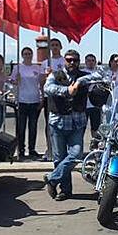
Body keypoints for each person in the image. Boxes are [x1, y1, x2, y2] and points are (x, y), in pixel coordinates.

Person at [43, 49, 90, 201]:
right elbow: (47, 88)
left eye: (75, 60)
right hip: (58, 123)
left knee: (76, 155)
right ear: (64, 60)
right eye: (69, 60)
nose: (72, 63)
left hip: (77, 122)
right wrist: (67, 90)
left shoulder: (84, 76)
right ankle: (65, 190)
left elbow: (98, 78)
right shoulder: (55, 75)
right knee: (59, 158)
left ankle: (52, 179)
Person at [11, 47, 42, 161]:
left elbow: (41, 84)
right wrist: (16, 80)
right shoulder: (17, 67)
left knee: (33, 127)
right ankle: (21, 150)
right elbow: (11, 82)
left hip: (34, 100)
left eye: (29, 53)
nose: (27, 55)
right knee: (21, 127)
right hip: (22, 100)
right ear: (22, 55)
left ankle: (32, 149)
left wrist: (41, 99)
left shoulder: (37, 68)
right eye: (25, 54)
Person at [40, 38, 65, 161]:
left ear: (60, 47)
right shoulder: (45, 62)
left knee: (61, 123)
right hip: (48, 97)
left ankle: (60, 149)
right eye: (52, 45)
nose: (54, 47)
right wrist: (46, 76)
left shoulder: (64, 61)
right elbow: (41, 82)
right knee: (49, 123)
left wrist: (55, 74)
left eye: (57, 45)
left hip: (61, 96)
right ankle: (49, 149)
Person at [83, 54, 102, 138]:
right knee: (81, 128)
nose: (90, 62)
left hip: (95, 104)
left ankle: (95, 146)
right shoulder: (82, 72)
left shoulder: (99, 73)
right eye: (88, 60)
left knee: (95, 127)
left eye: (92, 60)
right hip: (83, 105)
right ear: (85, 62)